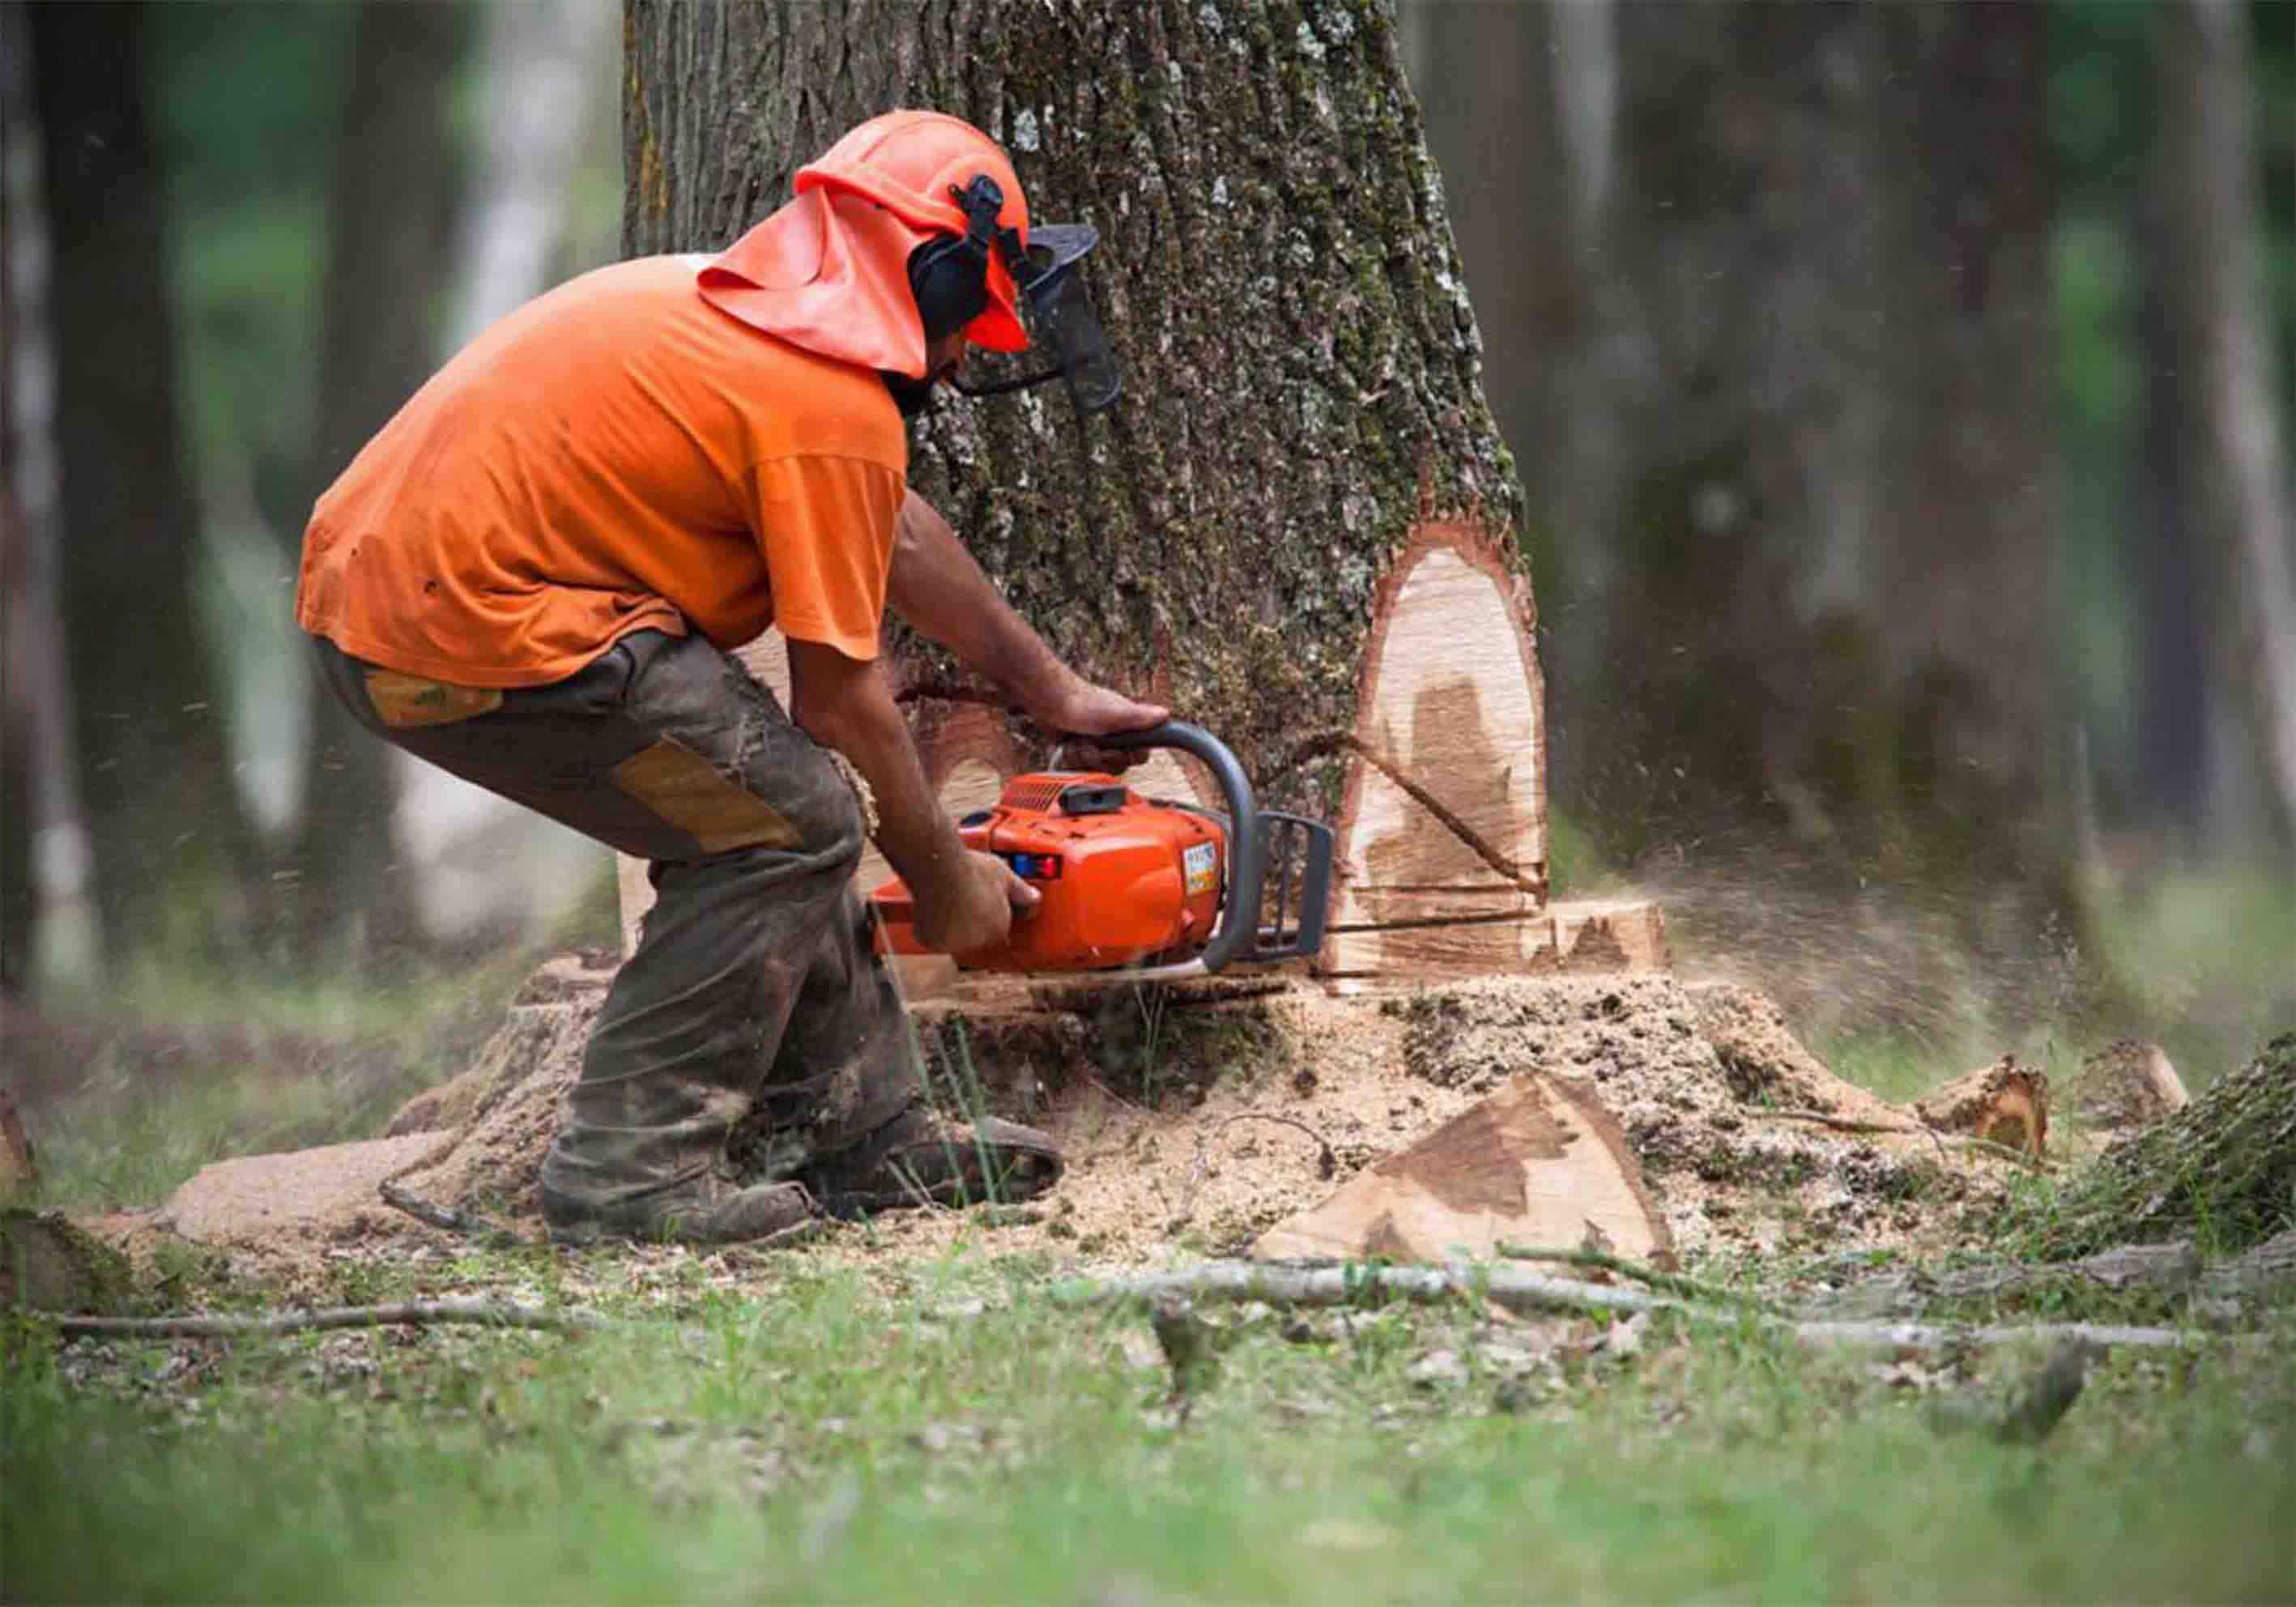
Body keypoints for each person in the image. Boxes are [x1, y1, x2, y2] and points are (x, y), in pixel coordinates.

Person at [295, 111, 1165, 1245]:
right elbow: (841, 700)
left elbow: (892, 532)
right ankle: (624, 1177)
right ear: (940, 282)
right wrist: (949, 884)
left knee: (774, 809)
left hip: (384, 610)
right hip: (470, 629)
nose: (961, 361)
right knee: (792, 819)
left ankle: (862, 1133)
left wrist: (1050, 690)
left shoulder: (746, 322)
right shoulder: (830, 401)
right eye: (970, 325)